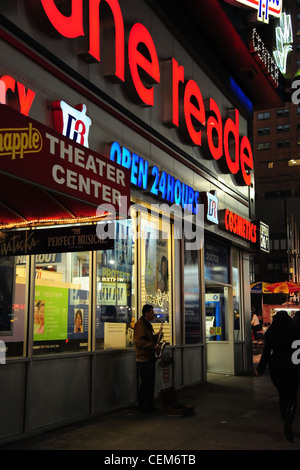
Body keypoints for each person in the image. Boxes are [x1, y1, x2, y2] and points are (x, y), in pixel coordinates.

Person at [255, 310, 298, 442]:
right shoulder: (295, 331)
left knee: (282, 393)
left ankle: (284, 416)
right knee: (292, 396)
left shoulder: (272, 331)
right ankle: (288, 421)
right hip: (293, 366)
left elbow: (267, 352)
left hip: (276, 367)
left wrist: (260, 368)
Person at [133, 304, 159, 412]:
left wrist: (157, 337)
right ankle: (143, 406)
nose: (153, 315)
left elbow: (148, 338)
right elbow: (139, 341)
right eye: (152, 312)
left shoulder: (147, 324)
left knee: (150, 383)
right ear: (146, 313)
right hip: (143, 359)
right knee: (146, 383)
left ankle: (149, 405)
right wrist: (153, 346)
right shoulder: (140, 325)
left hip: (149, 358)